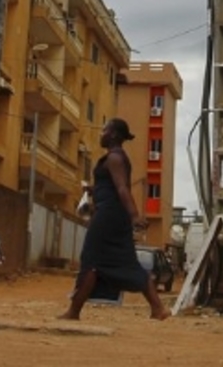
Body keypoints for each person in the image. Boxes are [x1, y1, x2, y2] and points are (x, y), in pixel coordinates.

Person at [59, 118, 170, 321]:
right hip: (112, 214)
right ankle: (158, 308)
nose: (101, 133)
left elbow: (122, 188)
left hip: (109, 216)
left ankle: (74, 311)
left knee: (91, 260)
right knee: (125, 262)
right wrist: (94, 190)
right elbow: (112, 187)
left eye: (105, 130)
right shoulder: (114, 157)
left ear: (114, 135)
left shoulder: (115, 158)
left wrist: (134, 215)